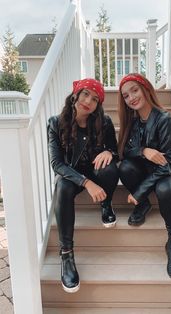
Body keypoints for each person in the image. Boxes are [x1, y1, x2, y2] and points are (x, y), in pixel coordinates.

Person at [48, 78, 119, 293]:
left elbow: (116, 151)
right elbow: (57, 163)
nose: (89, 101)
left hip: (96, 170)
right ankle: (66, 254)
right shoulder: (55, 123)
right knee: (63, 187)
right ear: (76, 94)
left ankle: (106, 204)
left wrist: (109, 152)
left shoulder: (103, 122)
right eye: (86, 94)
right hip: (73, 174)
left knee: (109, 168)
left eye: (95, 99)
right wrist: (86, 183)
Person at [118, 73, 171, 281]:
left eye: (134, 90)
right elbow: (126, 152)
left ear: (146, 89)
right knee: (125, 167)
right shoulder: (134, 122)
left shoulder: (166, 121)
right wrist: (143, 151)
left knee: (164, 188)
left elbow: (169, 166)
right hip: (148, 173)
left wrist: (139, 191)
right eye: (126, 95)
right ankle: (144, 205)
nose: (131, 97)